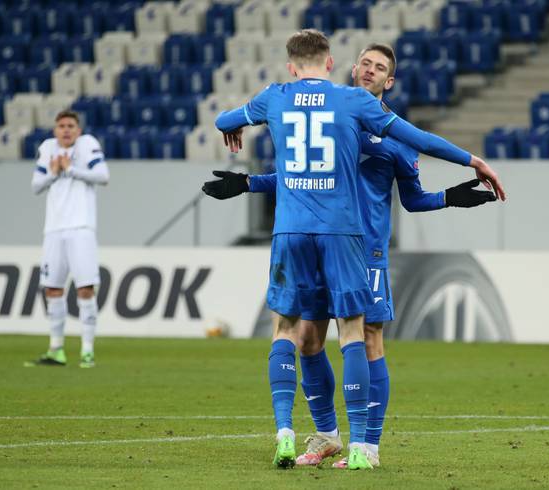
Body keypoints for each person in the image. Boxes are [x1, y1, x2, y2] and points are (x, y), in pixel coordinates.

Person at [213, 29, 505, 470]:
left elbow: (413, 198)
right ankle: (328, 435)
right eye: (365, 63)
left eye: (380, 68)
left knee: (368, 337)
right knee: (311, 338)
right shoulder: (340, 111)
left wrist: (450, 197)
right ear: (349, 68)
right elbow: (299, 176)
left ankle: (367, 444)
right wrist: (251, 183)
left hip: (365, 249)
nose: (370, 69)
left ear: (389, 82)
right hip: (329, 238)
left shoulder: (390, 135)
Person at [26, 110, 109, 369]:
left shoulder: (88, 145)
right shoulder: (48, 148)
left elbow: (103, 176)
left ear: (78, 130)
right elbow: (36, 186)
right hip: (54, 229)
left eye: (71, 126)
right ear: (54, 130)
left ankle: (87, 351)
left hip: (81, 228)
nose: (66, 130)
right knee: (53, 289)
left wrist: (71, 169)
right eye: (61, 126)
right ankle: (56, 350)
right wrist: (53, 173)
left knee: (85, 287)